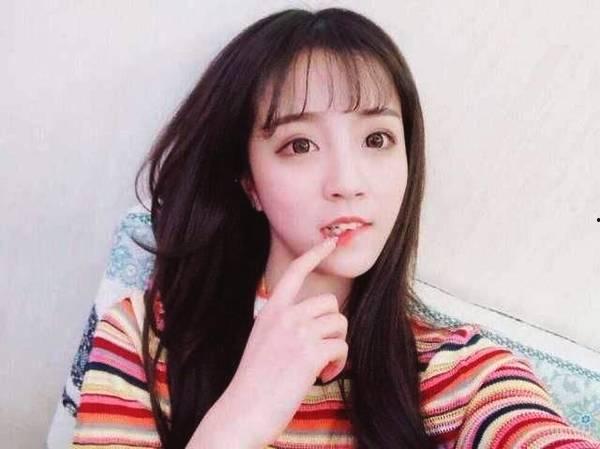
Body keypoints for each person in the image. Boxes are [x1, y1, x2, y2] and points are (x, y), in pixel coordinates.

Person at [70, 7, 600, 449]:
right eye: (300, 145)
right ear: (249, 182)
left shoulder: (457, 375)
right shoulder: (144, 340)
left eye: (376, 140)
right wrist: (240, 418)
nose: (348, 183)